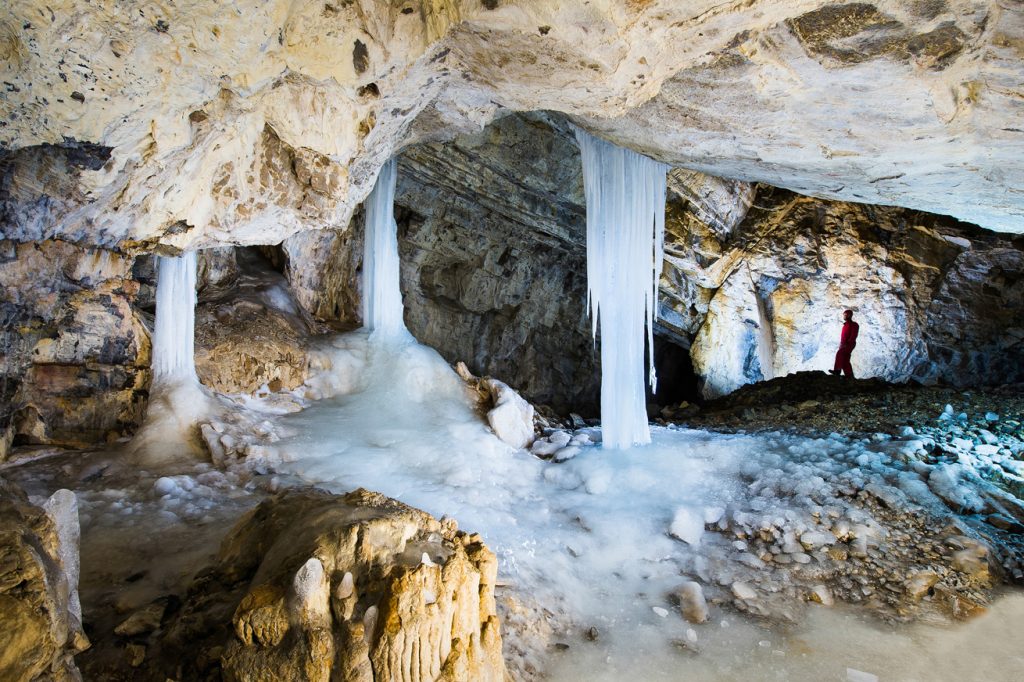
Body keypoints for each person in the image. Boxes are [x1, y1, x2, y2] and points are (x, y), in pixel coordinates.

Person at [829, 309, 859, 378]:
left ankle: (837, 371)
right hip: (844, 344)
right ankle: (849, 375)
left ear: (849, 315)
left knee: (840, 354)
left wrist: (849, 342)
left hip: (849, 344)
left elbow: (854, 334)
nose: (844, 316)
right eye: (844, 315)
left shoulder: (854, 324)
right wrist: (841, 345)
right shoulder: (845, 325)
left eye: (845, 315)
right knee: (845, 360)